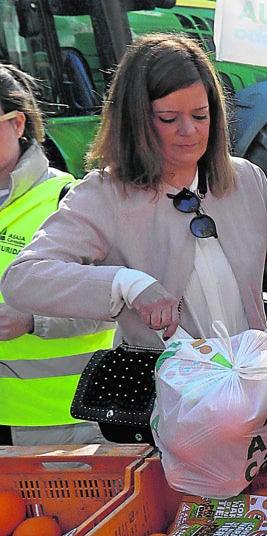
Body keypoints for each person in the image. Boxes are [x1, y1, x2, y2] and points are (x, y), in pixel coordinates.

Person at [1, 33, 267, 348]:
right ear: (136, 119)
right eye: (169, 118)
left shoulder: (244, 178)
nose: (189, 130)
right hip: (168, 397)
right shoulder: (104, 196)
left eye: (201, 115)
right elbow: (23, 279)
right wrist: (127, 283)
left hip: (254, 387)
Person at [0, 65, 113, 446]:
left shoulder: (67, 201)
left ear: (17, 123)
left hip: (62, 421)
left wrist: (33, 319)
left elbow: (114, 302)